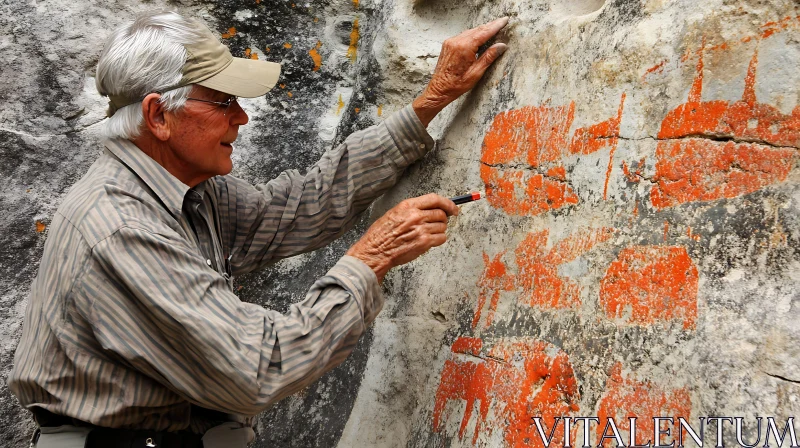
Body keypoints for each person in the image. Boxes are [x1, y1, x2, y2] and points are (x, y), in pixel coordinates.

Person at [8, 9, 508, 448]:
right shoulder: (120, 226)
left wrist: (430, 101)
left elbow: (298, 206)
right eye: (223, 102)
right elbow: (256, 369)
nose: (242, 117)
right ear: (158, 115)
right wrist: (371, 258)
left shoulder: (185, 190)